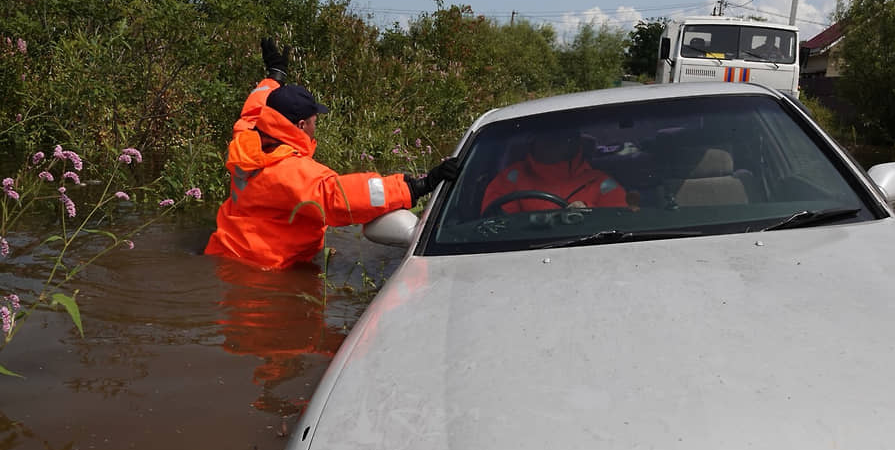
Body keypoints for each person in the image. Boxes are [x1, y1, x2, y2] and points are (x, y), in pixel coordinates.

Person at [205, 39, 458, 269]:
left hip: (223, 253)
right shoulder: (291, 171)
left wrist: (274, 77)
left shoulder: (245, 138)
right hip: (266, 270)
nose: (317, 126)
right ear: (302, 125)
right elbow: (339, 199)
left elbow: (253, 109)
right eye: (315, 120)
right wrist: (418, 186)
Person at [480, 127, 627, 214]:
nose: (551, 144)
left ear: (574, 143)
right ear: (533, 141)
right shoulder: (510, 177)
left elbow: (621, 220)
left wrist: (590, 214)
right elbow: (495, 224)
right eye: (545, 137)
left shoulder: (601, 183)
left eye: (560, 138)